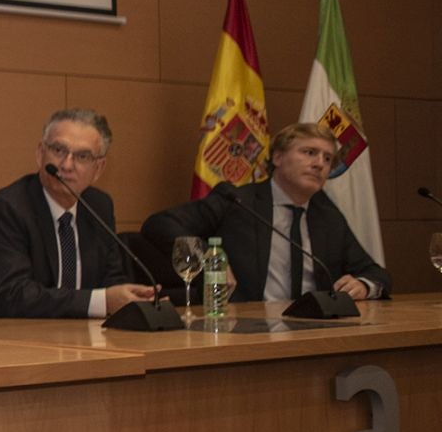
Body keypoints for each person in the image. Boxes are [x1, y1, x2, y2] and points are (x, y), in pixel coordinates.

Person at [142, 121, 389, 303]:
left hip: (314, 329)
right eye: (309, 153)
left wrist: (364, 286)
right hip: (246, 326)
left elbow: (375, 273)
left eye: (327, 159)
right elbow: (160, 224)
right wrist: (210, 259)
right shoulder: (238, 201)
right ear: (278, 157)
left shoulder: (326, 214)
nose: (319, 164)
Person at [0, 108, 156, 319]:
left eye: (82, 156)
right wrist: (101, 301)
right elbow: (14, 295)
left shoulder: (99, 206)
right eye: (59, 150)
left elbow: (110, 279)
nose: (67, 165)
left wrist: (133, 299)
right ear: (40, 153)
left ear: (99, 169)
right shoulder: (8, 208)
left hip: (74, 339)